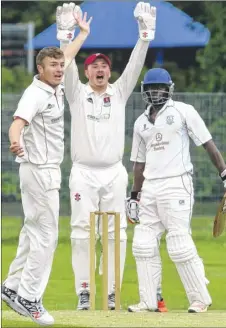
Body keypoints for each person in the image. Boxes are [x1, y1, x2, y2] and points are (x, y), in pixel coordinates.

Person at [56, 2, 156, 310]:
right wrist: (65, 35)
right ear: (86, 72)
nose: (101, 69)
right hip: (83, 173)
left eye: (104, 66)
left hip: (114, 172)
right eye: (95, 66)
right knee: (81, 233)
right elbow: (66, 65)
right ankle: (84, 291)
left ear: (109, 72)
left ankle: (112, 291)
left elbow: (135, 66)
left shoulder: (120, 91)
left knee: (117, 233)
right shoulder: (75, 92)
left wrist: (145, 37)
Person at [127, 68, 226, 313]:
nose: (156, 92)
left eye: (160, 87)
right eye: (152, 88)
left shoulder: (183, 112)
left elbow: (208, 145)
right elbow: (139, 163)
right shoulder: (140, 122)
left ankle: (199, 299)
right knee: (142, 243)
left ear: (169, 89)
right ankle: (148, 300)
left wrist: (225, 174)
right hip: (149, 187)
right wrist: (134, 195)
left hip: (177, 183)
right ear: (145, 91)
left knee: (179, 243)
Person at [1, 47, 65, 325]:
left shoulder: (54, 86)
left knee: (32, 231)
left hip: (44, 171)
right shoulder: (36, 93)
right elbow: (16, 123)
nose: (60, 69)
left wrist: (81, 35)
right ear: (40, 69)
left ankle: (11, 286)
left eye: (61, 64)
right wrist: (15, 141)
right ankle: (29, 297)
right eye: (54, 65)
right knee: (46, 236)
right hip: (39, 171)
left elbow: (69, 55)